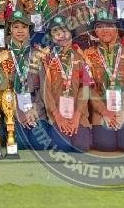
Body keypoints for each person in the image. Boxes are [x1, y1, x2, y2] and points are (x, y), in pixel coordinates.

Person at [83, 10, 124, 152]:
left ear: (117, 29)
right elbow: (89, 88)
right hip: (103, 109)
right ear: (95, 31)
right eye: (100, 27)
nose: (105, 30)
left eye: (109, 26)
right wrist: (104, 111)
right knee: (105, 145)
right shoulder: (88, 56)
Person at [0, 10, 48, 150]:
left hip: (35, 109)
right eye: (16, 27)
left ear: (29, 30)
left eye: (24, 27)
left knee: (39, 144)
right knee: (20, 144)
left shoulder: (39, 56)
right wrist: (18, 113)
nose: (20, 31)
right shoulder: (2, 59)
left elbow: (44, 89)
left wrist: (35, 110)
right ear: (10, 29)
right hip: (13, 110)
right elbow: (3, 92)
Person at [38, 16, 92, 152]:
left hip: (77, 113)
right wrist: (57, 115)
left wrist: (77, 115)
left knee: (82, 146)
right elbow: (45, 90)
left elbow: (85, 88)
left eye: (64, 30)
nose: (60, 35)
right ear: (51, 36)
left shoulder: (81, 57)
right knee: (63, 146)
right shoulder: (46, 58)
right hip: (56, 113)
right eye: (55, 31)